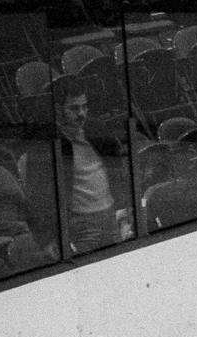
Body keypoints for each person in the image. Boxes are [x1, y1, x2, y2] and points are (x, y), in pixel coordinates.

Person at [50, 74, 132, 255]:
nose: (81, 114)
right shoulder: (49, 143)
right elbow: (42, 196)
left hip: (111, 217)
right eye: (74, 108)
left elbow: (117, 171)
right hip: (81, 226)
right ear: (58, 109)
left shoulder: (97, 129)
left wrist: (124, 210)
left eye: (84, 107)